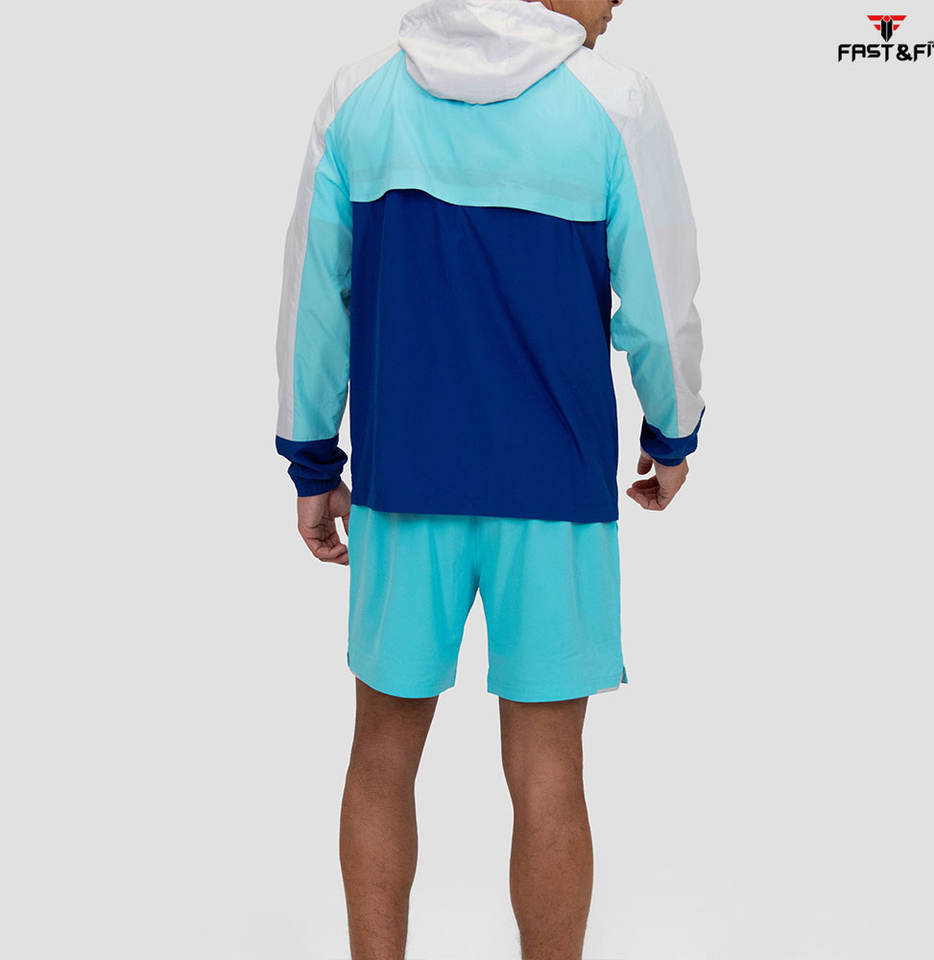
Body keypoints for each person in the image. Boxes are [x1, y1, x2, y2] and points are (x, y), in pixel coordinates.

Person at [274, 0, 705, 955]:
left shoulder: (360, 98)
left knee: (381, 757)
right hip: (555, 493)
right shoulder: (613, 104)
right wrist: (672, 433)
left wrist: (312, 458)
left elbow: (314, 295)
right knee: (548, 770)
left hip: (403, 486)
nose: (619, 0)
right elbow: (661, 293)